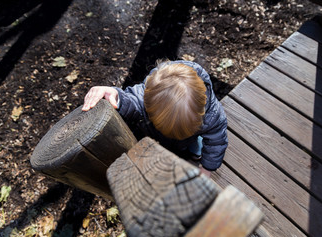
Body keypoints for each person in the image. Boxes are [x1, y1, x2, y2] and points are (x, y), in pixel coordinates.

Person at [82, 60, 228, 177]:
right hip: (160, 137)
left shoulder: (212, 115)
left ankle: (194, 146)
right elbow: (131, 100)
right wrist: (115, 95)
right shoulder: (149, 95)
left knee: (198, 146)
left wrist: (207, 169)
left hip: (190, 137)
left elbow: (217, 142)